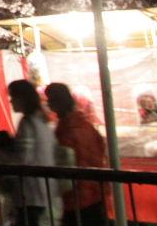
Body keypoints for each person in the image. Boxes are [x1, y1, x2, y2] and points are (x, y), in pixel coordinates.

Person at [0, 79, 59, 226]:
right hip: (44, 190)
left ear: (22, 98)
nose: (11, 101)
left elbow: (21, 159)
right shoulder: (42, 120)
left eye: (12, 97)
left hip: (31, 193)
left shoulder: (27, 123)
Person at [47, 83, 107, 226]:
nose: (48, 104)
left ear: (57, 102)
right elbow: (101, 147)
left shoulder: (65, 130)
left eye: (50, 100)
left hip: (77, 195)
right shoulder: (85, 124)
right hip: (96, 190)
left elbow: (63, 160)